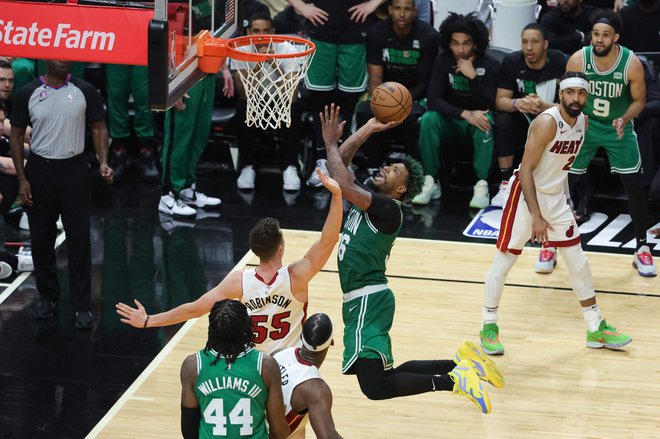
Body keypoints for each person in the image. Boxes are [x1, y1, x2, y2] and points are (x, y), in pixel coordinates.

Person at [320, 103, 504, 413]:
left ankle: (455, 380)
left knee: (375, 387)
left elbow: (341, 177)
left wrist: (329, 142)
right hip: (362, 299)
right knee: (382, 377)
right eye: (388, 166)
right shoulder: (372, 196)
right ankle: (462, 361)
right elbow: (343, 163)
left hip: (367, 298)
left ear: (401, 188)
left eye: (392, 171)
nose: (384, 169)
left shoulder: (388, 209)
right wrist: (371, 127)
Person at [480, 72, 633, 355]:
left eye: (581, 93)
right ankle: (488, 326)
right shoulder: (546, 123)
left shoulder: (583, 121)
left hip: (555, 199)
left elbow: (561, 167)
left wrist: (565, 200)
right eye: (571, 92)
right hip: (525, 197)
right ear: (561, 94)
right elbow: (526, 169)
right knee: (505, 261)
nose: (576, 98)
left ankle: (595, 327)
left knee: (579, 262)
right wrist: (537, 217)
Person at [117, 170, 343, 354]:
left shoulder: (239, 282)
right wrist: (336, 196)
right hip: (290, 368)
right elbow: (329, 239)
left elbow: (193, 310)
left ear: (255, 250)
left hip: (256, 370)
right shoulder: (296, 276)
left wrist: (148, 320)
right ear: (281, 248)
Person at [9, 60, 114, 329]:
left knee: (79, 240)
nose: (64, 61)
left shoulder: (85, 90)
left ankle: (81, 306)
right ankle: (48, 297)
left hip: (75, 170)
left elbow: (99, 127)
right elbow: (16, 135)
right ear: (46, 59)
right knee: (41, 238)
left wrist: (103, 161)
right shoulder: (27, 93)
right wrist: (22, 179)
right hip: (40, 171)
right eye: (58, 57)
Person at [561, 10, 655, 277]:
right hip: (586, 125)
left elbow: (639, 102)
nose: (599, 40)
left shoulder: (631, 63)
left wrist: (625, 118)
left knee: (634, 187)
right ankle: (553, 244)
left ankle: (642, 248)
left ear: (616, 37)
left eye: (605, 35)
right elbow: (566, 95)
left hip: (618, 127)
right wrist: (577, 116)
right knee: (564, 183)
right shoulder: (579, 58)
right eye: (595, 34)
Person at [413, 13, 499, 208]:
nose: (460, 50)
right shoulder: (442, 61)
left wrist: (473, 78)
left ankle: (481, 184)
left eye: (466, 43)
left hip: (476, 124)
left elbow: (489, 104)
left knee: (485, 120)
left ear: (476, 43)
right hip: (451, 121)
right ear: (448, 43)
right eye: (455, 43)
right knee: (428, 119)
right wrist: (465, 114)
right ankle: (430, 180)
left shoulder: (490, 64)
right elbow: (433, 100)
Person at [180, 299, 290, 439]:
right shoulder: (266, 366)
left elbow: (188, 431)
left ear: (211, 328)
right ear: (247, 327)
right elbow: (280, 432)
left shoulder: (193, 366)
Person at [353, 0, 439, 172]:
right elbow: (375, 79)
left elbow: (423, 82)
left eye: (407, 9)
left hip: (415, 95)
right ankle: (373, 166)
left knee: (411, 118)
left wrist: (399, 102)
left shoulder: (429, 36)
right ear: (390, 9)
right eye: (397, 8)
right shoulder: (377, 33)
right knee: (364, 111)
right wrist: (384, 101)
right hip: (384, 91)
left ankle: (413, 170)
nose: (402, 14)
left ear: (414, 11)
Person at [491, 23, 567, 208]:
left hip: (553, 120)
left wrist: (544, 106)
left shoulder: (560, 61)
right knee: (503, 119)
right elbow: (500, 101)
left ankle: (564, 189)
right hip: (523, 120)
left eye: (535, 42)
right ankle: (505, 183)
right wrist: (518, 103)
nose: (529, 47)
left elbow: (572, 107)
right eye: (524, 42)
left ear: (546, 44)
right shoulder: (512, 61)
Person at [233, 13, 304, 192]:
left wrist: (274, 65)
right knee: (242, 108)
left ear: (273, 32)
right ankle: (248, 165)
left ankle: (290, 166)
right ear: (249, 32)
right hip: (253, 100)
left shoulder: (288, 50)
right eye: (256, 31)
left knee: (293, 110)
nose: (261, 35)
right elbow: (243, 94)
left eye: (266, 31)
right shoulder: (241, 50)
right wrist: (258, 66)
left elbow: (292, 96)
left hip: (281, 100)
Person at [272, 312, 342, 439]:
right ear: (331, 342)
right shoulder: (315, 388)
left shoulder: (279, 353)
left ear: (301, 336)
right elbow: (327, 436)